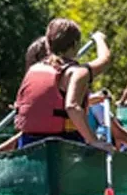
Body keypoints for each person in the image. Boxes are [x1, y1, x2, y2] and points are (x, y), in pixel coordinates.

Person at [0, 36, 127, 154]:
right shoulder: (46, 99)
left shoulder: (91, 102)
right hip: (60, 148)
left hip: (82, 148)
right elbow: (26, 134)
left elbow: (117, 131)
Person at [12, 19, 114, 152]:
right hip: (64, 143)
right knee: (98, 144)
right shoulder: (77, 72)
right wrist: (99, 39)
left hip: (28, 142)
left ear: (48, 44)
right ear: (76, 44)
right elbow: (71, 106)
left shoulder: (33, 69)